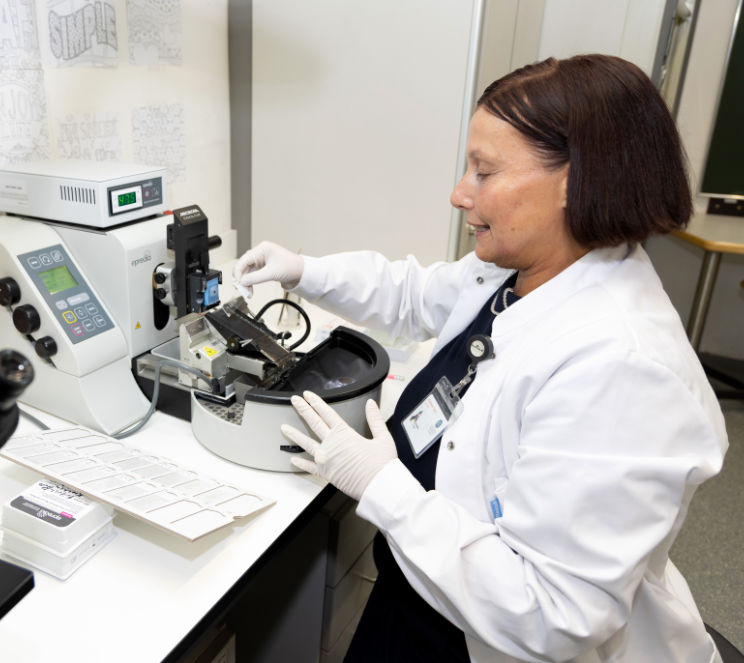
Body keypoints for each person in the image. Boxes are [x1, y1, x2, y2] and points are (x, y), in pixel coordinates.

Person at [234, 54, 728, 663]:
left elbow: (551, 616)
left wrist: (381, 484)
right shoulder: (527, 268)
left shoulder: (621, 369)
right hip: (427, 587)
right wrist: (306, 271)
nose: (459, 193)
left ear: (577, 181)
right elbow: (415, 294)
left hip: (490, 638)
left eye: (484, 171)